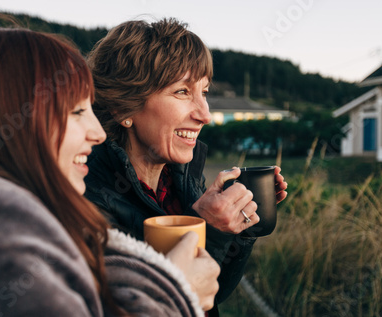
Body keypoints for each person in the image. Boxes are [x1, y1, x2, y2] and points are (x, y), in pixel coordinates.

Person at [0, 14, 219, 316]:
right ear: (8, 120)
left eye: (205, 92)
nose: (98, 132)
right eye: (76, 111)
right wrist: (173, 295)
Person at [83, 18, 288, 314]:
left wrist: (237, 228)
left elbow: (208, 297)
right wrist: (208, 230)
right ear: (123, 107)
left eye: (204, 92)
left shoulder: (183, 179)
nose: (205, 114)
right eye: (182, 92)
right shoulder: (86, 198)